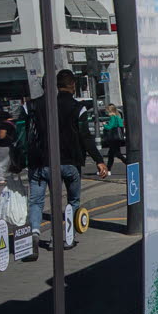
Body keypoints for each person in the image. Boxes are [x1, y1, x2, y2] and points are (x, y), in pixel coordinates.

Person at [28, 71, 109, 246]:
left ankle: (37, 234)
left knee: (39, 201)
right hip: (70, 163)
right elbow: (85, 136)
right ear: (72, 85)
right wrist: (99, 160)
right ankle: (68, 238)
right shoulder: (77, 108)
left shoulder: (37, 106)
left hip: (42, 162)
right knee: (73, 201)